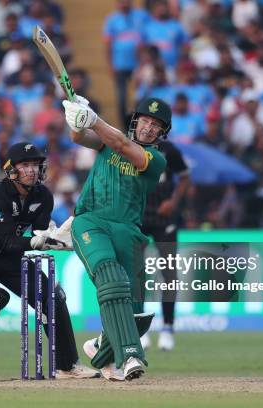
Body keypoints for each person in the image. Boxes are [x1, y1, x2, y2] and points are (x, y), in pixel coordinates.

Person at [0, 142, 98, 381]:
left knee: (52, 295)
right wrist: (37, 241)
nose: (31, 170)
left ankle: (67, 366)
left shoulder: (43, 196)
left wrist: (54, 238)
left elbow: (39, 233)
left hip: (9, 258)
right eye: (25, 165)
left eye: (35, 165)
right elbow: (9, 240)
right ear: (12, 169)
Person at [62, 96, 170, 381]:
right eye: (145, 120)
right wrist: (76, 118)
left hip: (129, 231)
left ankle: (101, 349)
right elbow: (78, 136)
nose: (148, 128)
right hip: (91, 221)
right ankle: (131, 355)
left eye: (155, 126)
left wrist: (94, 118)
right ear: (136, 121)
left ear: (161, 134)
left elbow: (123, 146)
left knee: (136, 311)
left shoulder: (156, 160)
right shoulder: (106, 142)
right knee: (111, 277)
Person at [139, 140, 189, 352]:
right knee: (136, 273)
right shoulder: (131, 147)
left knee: (169, 273)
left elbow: (185, 177)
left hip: (164, 218)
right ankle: (140, 328)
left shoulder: (170, 151)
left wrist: (174, 202)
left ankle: (167, 327)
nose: (150, 129)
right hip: (138, 217)